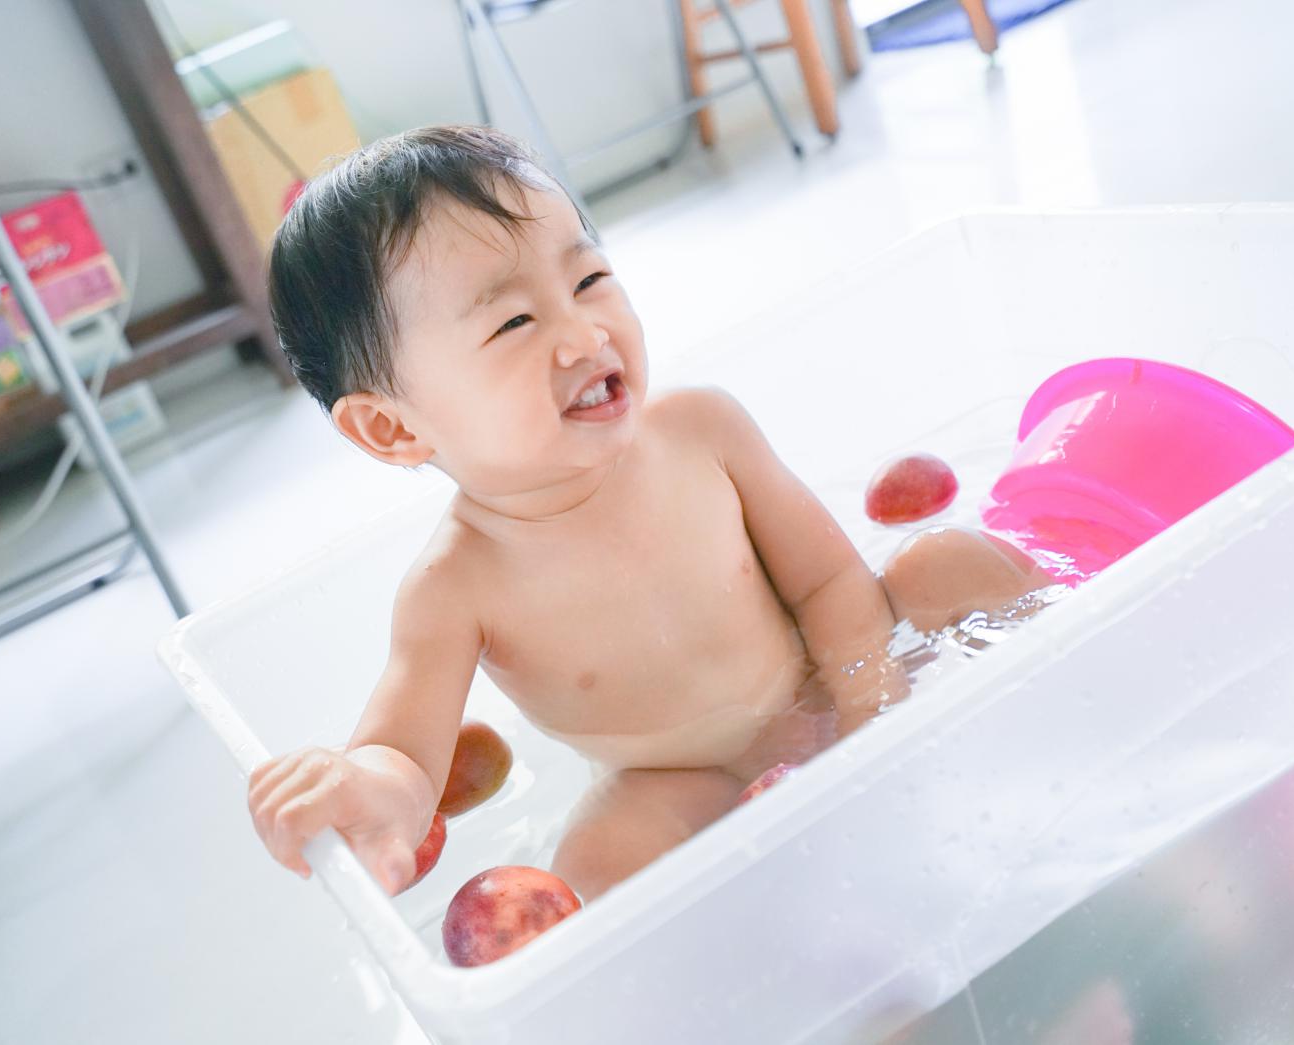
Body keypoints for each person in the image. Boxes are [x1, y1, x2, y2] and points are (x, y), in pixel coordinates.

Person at [247, 126, 1050, 900]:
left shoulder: (701, 428)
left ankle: (1077, 681)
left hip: (828, 670)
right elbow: (406, 757)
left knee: (948, 559)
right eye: (514, 322)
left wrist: (869, 699)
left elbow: (829, 579)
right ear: (392, 426)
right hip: (686, 780)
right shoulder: (453, 588)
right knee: (598, 857)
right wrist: (365, 790)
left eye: (589, 279)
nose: (583, 333)